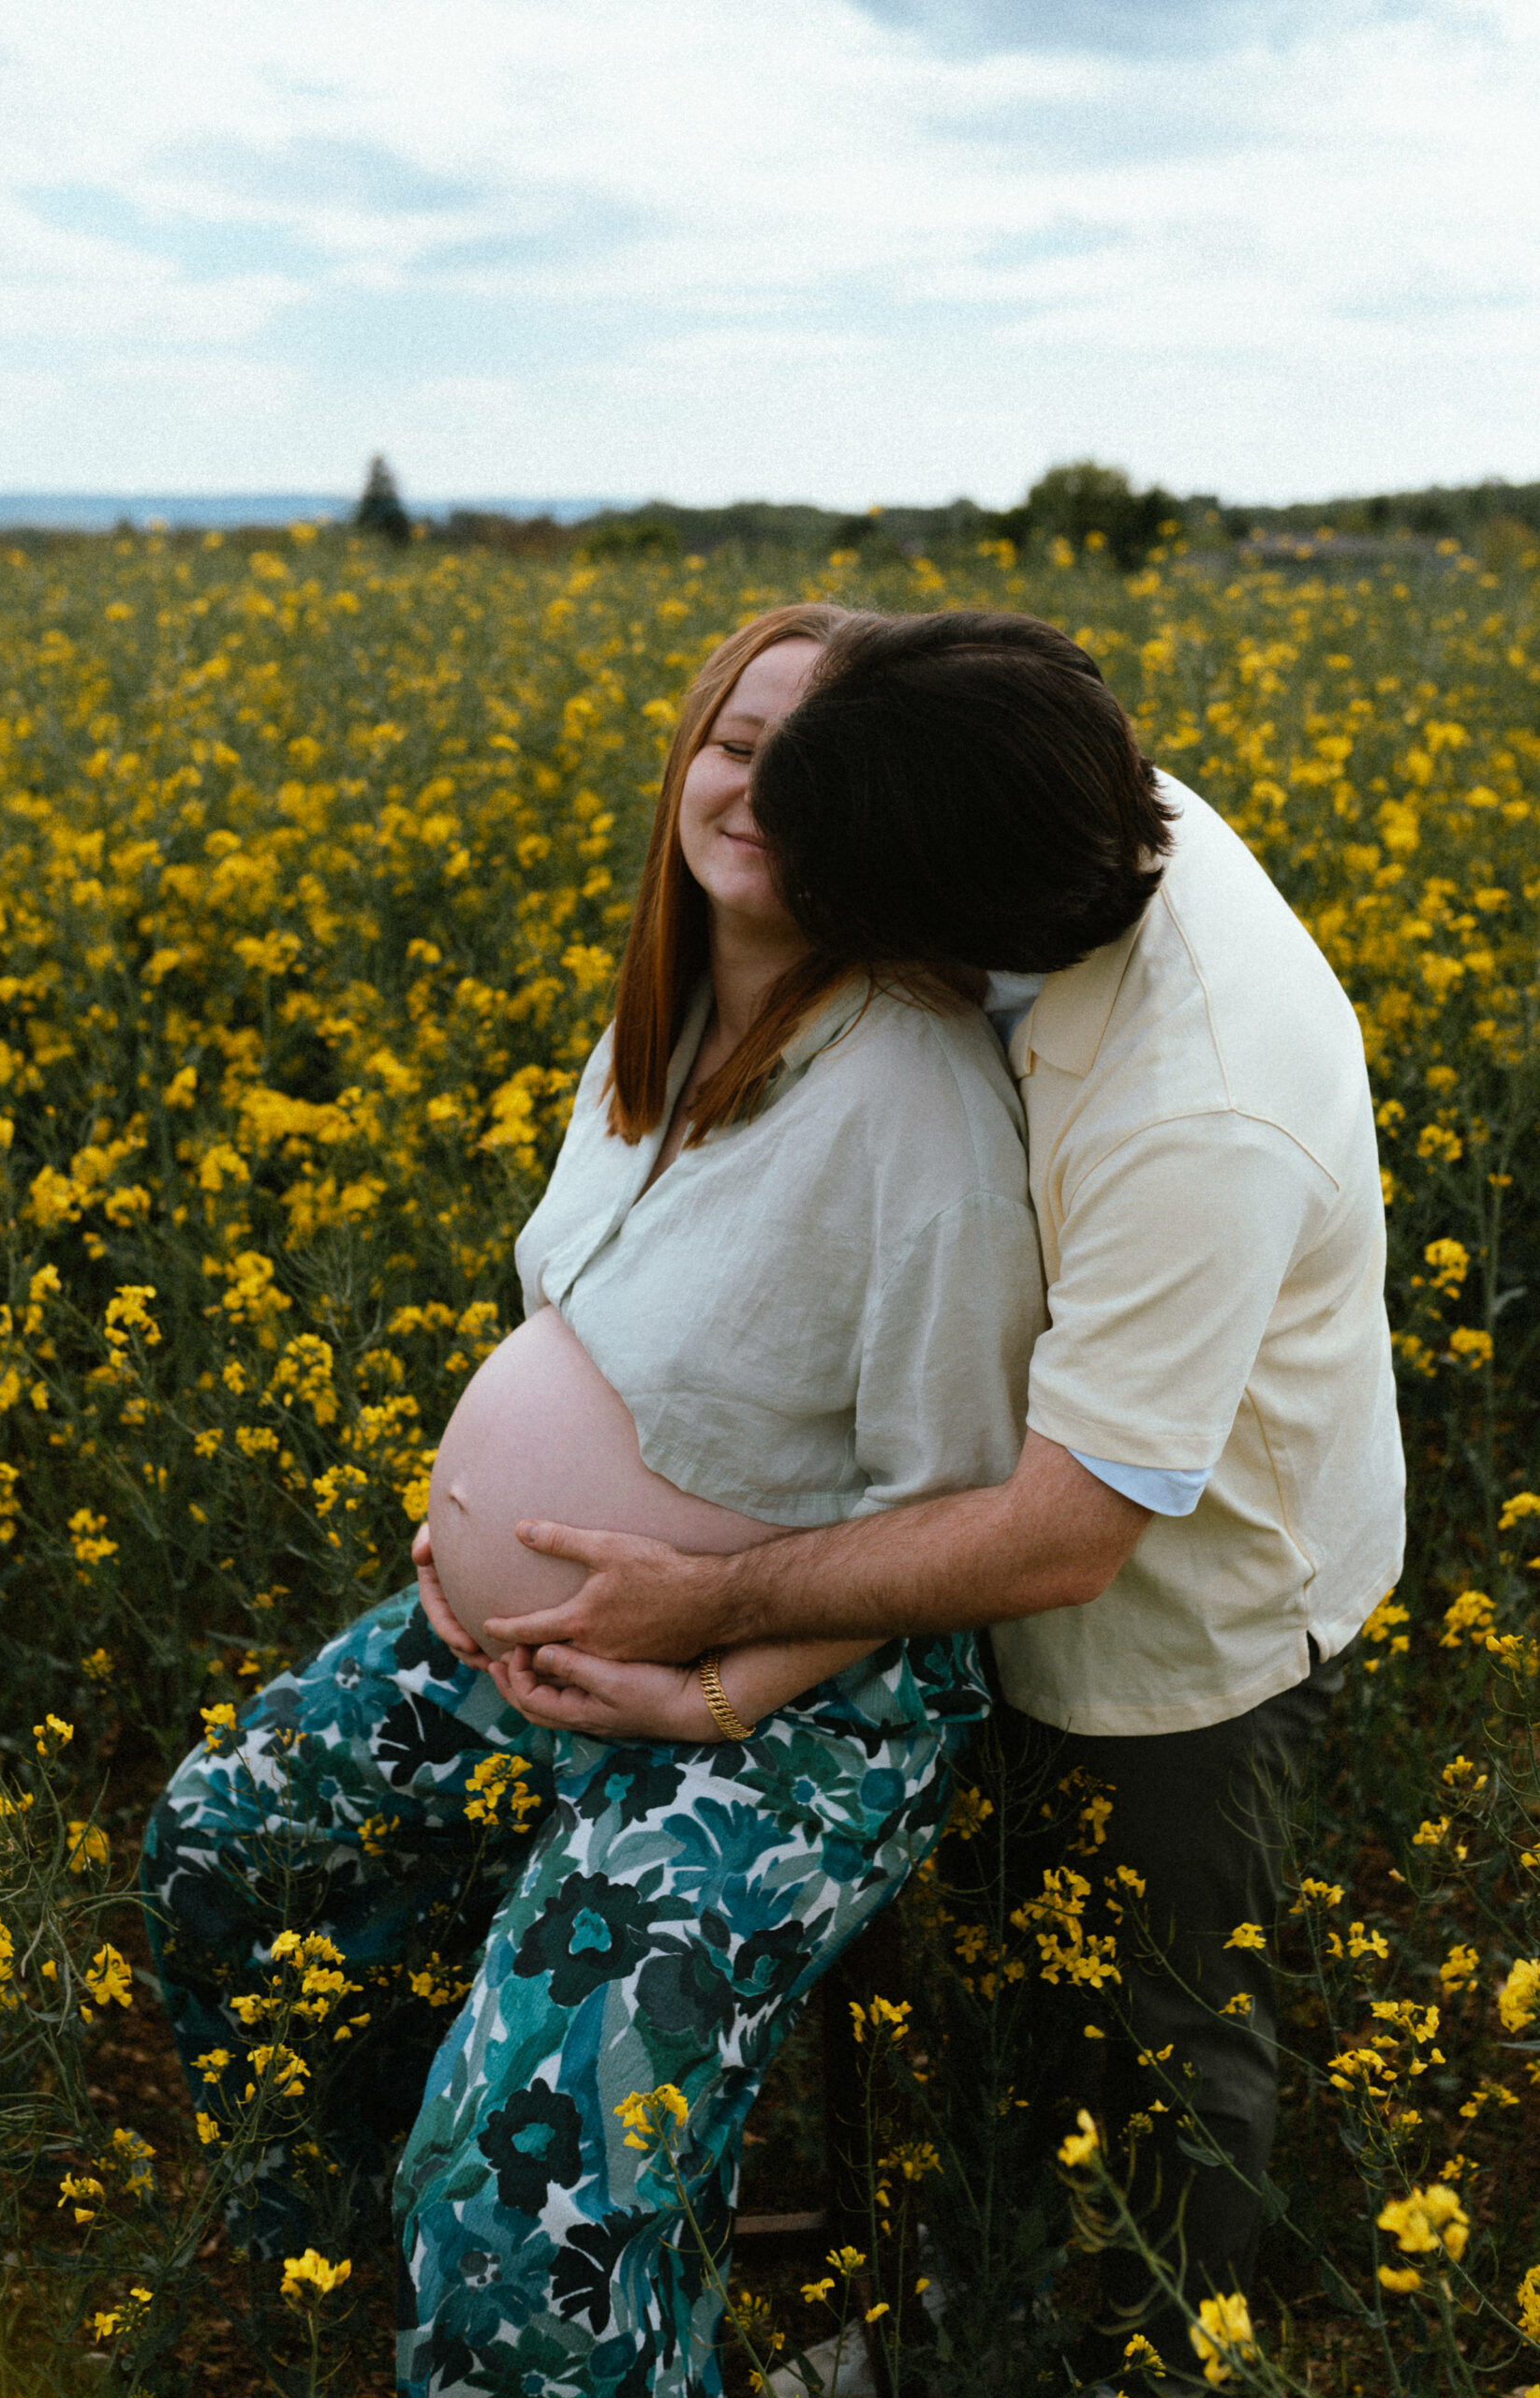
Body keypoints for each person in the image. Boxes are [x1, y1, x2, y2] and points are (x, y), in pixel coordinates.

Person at [461, 610, 1405, 2386]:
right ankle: (978, 2313)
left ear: (943, 928)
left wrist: (715, 1609)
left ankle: (1122, 2356)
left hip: (1174, 1606)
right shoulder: (1055, 804)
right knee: (998, 2000)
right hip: (982, 1531)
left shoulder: (1191, 1109)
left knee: (1153, 2032)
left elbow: (1067, 1534)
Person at [142, 603, 1045, 2398]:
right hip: (537, 1644)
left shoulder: (915, 1106)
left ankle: (498, 2266)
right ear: (683, 760)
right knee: (222, 1856)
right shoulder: (659, 1029)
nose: (761, 788)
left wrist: (715, 1673)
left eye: (818, 761)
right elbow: (593, 1320)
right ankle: (380, 2261)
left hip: (786, 1704)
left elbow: (954, 1515)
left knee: (526, 2210)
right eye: (736, 738)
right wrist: (472, 1512)